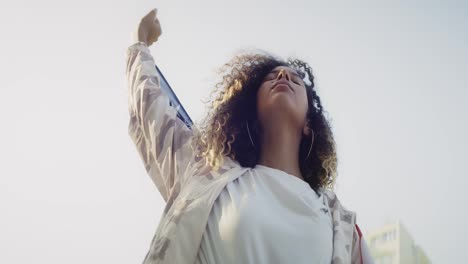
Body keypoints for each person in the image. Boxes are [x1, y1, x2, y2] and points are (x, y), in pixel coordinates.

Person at [126, 8, 374, 264]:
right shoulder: (206, 175)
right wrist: (139, 43)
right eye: (270, 77)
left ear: (309, 123)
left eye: (295, 80)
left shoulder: (340, 225)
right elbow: (152, 110)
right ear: (252, 110)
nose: (283, 75)